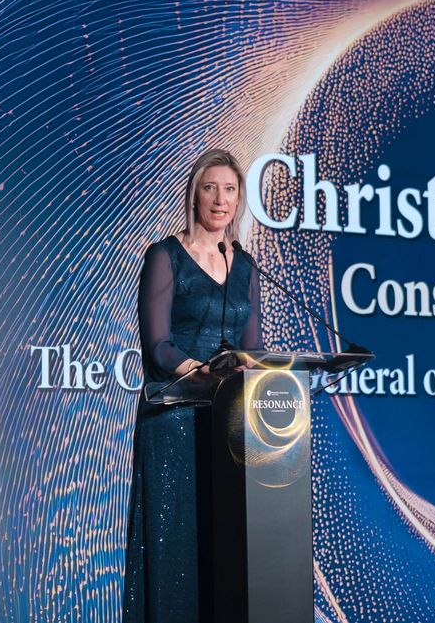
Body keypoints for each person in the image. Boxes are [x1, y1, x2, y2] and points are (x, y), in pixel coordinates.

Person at [122, 148, 262, 623]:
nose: (220, 200)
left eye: (230, 190)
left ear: (239, 200)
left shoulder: (246, 267)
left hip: (230, 428)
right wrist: (203, 372)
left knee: (226, 553)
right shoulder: (166, 257)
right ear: (194, 195)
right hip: (175, 423)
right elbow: (158, 347)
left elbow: (253, 352)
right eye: (210, 188)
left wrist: (252, 373)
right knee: (178, 553)